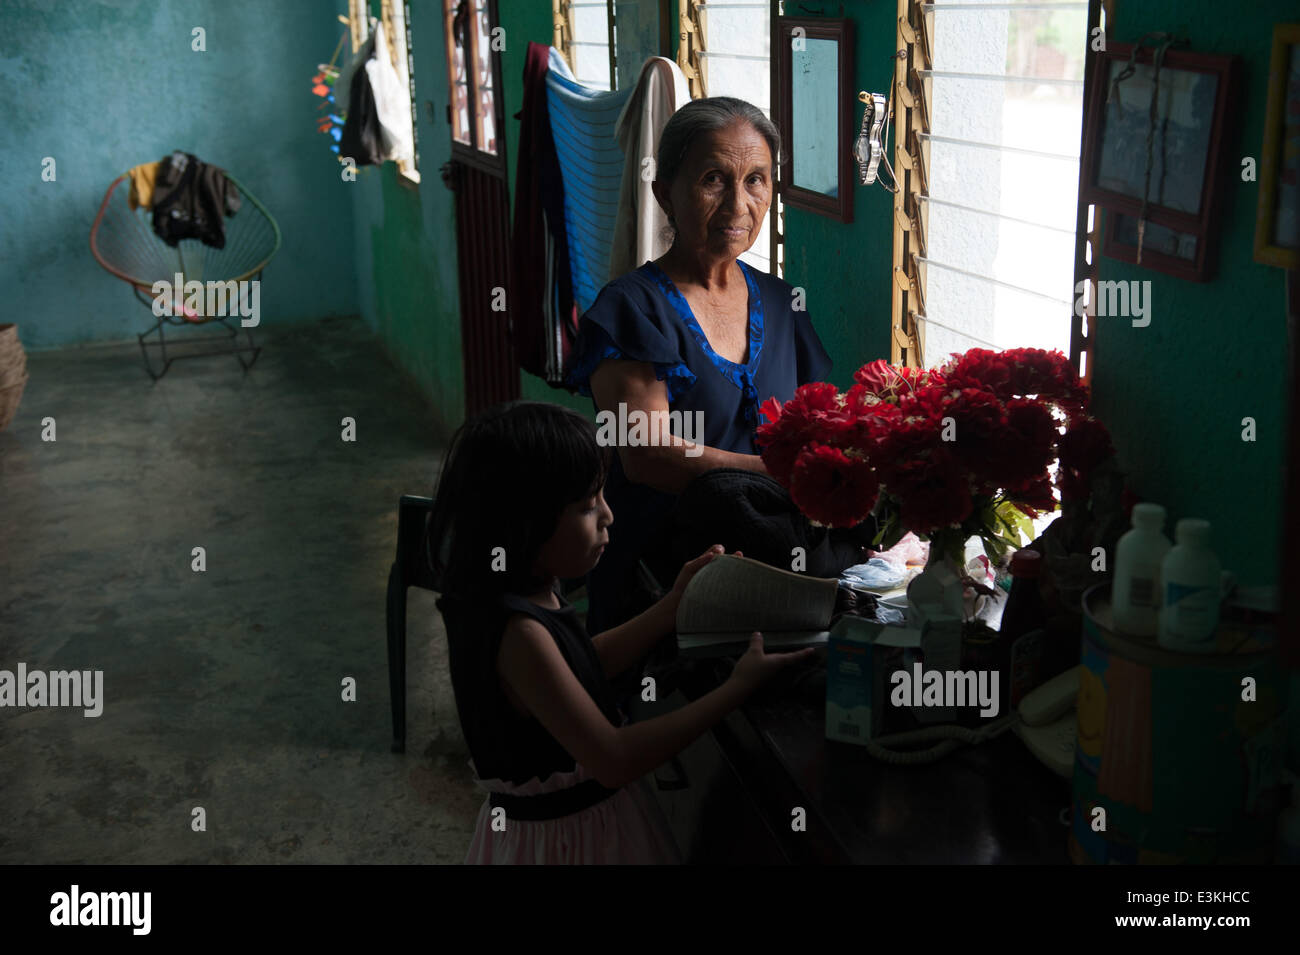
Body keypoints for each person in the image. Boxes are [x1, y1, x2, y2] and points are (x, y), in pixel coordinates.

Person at [428, 401, 814, 864]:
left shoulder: (529, 591)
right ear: (523, 524)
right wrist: (735, 690)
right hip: (565, 845)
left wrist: (672, 606)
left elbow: (579, 665)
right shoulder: (515, 631)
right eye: (588, 507)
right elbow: (614, 759)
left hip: (588, 827)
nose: (608, 516)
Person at [566, 96, 833, 636]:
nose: (739, 204)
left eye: (756, 180)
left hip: (776, 559)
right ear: (665, 191)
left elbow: (823, 424)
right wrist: (781, 476)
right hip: (664, 571)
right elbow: (647, 456)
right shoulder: (630, 310)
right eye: (714, 179)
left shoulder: (784, 303)